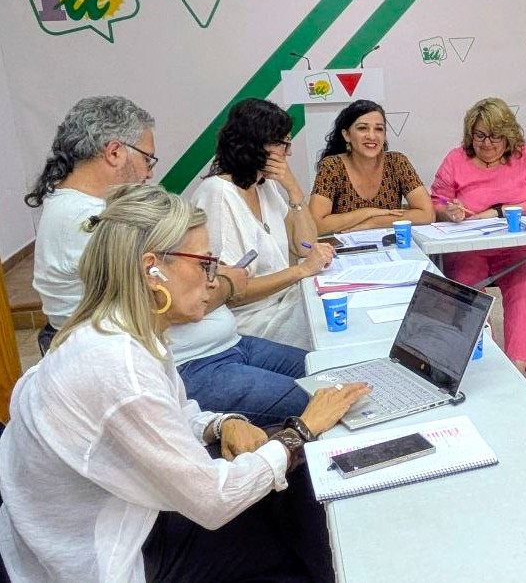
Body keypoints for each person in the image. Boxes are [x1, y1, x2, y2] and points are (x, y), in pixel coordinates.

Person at [0, 184, 370, 582]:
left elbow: (175, 412)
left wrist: (221, 424)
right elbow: (214, 500)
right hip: (112, 557)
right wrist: (301, 431)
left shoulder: (119, 331)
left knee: (289, 486)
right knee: (297, 504)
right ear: (152, 269)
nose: (214, 280)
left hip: (115, 520)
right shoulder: (118, 366)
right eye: (205, 264)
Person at [24, 96, 311, 425]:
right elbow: (175, 302)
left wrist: (208, 276)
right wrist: (229, 282)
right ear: (114, 152)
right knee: (321, 399)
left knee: (327, 372)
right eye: (148, 158)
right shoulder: (84, 220)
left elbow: (179, 283)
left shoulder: (102, 209)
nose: (151, 171)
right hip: (188, 364)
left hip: (220, 345)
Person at [192, 98, 336, 352]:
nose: (288, 153)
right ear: (254, 144)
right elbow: (230, 293)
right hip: (252, 319)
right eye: (283, 143)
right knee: (334, 335)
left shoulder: (263, 186)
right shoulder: (218, 194)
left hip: (284, 300)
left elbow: (304, 245)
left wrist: (293, 189)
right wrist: (301, 271)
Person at [430, 97, 526, 372]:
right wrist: (448, 212)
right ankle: (485, 360)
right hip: (468, 248)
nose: (487, 143)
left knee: (524, 289)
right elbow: (437, 202)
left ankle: (517, 369)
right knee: (466, 285)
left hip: (517, 246)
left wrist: (498, 211)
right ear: (470, 135)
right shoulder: (456, 159)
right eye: (480, 136)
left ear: (508, 135)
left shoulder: (525, 156)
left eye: (495, 136)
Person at [310, 99, 434, 234]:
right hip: (343, 246)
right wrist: (368, 212)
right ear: (347, 135)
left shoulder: (397, 162)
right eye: (362, 128)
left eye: (379, 129)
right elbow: (317, 225)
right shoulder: (332, 166)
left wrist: (373, 222)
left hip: (391, 245)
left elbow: (427, 214)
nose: (372, 136)